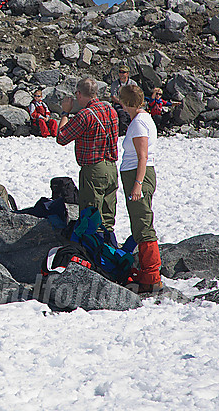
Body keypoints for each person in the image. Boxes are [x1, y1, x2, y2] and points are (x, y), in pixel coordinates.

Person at [56, 77, 120, 243]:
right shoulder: (110, 109)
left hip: (93, 169)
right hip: (112, 168)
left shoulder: (85, 115)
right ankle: (110, 251)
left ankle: (95, 254)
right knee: (107, 218)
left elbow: (62, 137)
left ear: (79, 93)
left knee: (91, 216)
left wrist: (65, 112)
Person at [118, 85, 162, 292]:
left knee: (143, 225)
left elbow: (142, 156)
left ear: (126, 102)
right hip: (139, 173)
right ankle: (148, 273)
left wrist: (137, 184)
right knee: (140, 223)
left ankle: (151, 277)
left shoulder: (138, 123)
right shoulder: (145, 118)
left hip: (138, 175)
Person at [110, 64, 137, 136]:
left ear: (127, 73)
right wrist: (121, 103)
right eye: (120, 72)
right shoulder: (115, 84)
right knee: (122, 115)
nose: (121, 74)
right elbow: (113, 96)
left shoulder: (132, 83)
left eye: (123, 72)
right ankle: (123, 131)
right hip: (119, 103)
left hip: (130, 103)